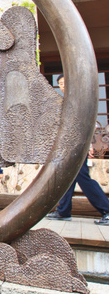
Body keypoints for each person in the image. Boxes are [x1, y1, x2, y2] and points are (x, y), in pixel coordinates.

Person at [47, 75, 109, 225]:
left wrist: (90, 145)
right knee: (69, 179)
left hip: (78, 147)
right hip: (68, 147)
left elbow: (89, 123)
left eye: (65, 83)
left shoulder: (79, 99)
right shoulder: (65, 101)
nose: (62, 86)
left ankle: (107, 210)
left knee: (83, 179)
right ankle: (63, 211)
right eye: (60, 83)